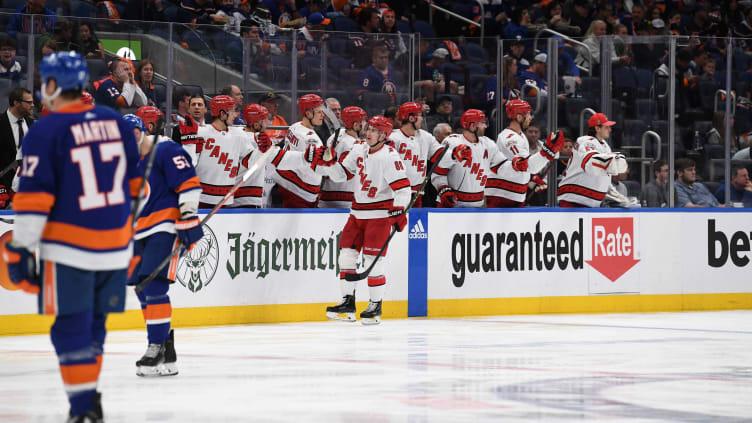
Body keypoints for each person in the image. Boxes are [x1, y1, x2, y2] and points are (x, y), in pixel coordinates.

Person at [3, 51, 140, 422]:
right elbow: (136, 189)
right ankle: (89, 397)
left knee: (69, 328)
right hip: (115, 247)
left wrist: (20, 248)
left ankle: (83, 409)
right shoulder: (116, 122)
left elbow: (33, 201)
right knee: (95, 325)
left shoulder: (46, 129)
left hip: (69, 248)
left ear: (50, 85)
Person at [125, 107, 202, 377]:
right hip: (137, 231)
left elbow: (188, 183)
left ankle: (154, 346)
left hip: (166, 226)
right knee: (140, 288)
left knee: (154, 285)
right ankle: (166, 346)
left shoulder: (166, 150)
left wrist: (189, 214)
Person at [322, 115, 410, 325]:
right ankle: (348, 303)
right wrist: (329, 162)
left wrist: (399, 212)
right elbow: (341, 175)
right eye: (368, 129)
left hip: (379, 217)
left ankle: (375, 305)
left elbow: (403, 190)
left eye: (374, 131)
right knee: (345, 257)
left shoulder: (390, 156)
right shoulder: (358, 149)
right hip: (356, 214)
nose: (368, 133)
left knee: (373, 263)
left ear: (384, 135)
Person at [486, 100, 564, 208]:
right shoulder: (509, 138)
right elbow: (526, 165)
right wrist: (547, 151)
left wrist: (533, 178)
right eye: (527, 114)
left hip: (514, 195)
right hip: (500, 196)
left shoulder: (521, 136)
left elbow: (520, 168)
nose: (530, 118)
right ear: (518, 117)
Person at [179, 95, 249, 208]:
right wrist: (189, 144)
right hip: (201, 198)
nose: (235, 115)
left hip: (226, 200)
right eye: (231, 112)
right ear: (222, 114)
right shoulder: (200, 133)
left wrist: (262, 150)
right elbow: (187, 165)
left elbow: (251, 161)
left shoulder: (239, 135)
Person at [431, 109, 502, 208]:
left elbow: (502, 166)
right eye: (482, 123)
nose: (485, 126)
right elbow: (438, 170)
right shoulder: (452, 141)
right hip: (453, 203)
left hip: (478, 205)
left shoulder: (489, 144)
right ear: (472, 126)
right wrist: (443, 189)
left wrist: (516, 164)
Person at [558, 113, 628, 207]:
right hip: (573, 199)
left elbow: (604, 176)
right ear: (597, 128)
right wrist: (610, 161)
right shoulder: (585, 141)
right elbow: (591, 163)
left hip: (589, 201)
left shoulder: (605, 146)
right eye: (606, 127)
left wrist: (614, 194)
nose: (610, 130)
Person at [387, 102, 446, 207]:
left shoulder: (425, 136)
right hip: (396, 194)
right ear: (411, 118)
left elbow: (440, 155)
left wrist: (456, 154)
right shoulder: (393, 138)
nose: (422, 118)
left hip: (418, 194)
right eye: (419, 115)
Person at [275, 94, 325, 208]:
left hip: (286, 184)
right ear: (308, 113)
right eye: (319, 112)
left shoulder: (294, 126)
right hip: (301, 192)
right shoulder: (311, 140)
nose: (322, 115)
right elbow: (320, 167)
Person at [318, 106, 367, 208]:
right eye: (363, 121)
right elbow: (345, 174)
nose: (366, 124)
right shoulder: (352, 146)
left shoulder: (335, 136)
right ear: (356, 125)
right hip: (345, 200)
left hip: (327, 194)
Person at [233, 103, 273, 208]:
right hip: (249, 198)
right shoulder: (259, 140)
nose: (267, 123)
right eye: (264, 121)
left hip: (233, 195)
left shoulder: (236, 134)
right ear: (255, 124)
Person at [0, 87, 34, 207]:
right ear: (16, 103)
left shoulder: (33, 124)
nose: (33, 105)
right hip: (3, 189)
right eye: (29, 102)